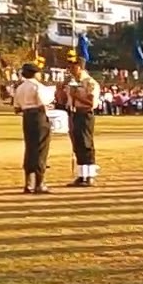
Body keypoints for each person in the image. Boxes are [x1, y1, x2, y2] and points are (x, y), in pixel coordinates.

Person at [13, 61, 54, 193]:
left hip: (26, 117)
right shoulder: (38, 87)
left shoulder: (19, 88)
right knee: (41, 149)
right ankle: (40, 183)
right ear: (35, 74)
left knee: (30, 148)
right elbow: (43, 103)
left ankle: (28, 183)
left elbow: (16, 108)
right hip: (39, 117)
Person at [64, 51, 102, 186]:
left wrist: (76, 96)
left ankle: (90, 175)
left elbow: (91, 103)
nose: (71, 70)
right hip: (74, 114)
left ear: (80, 67)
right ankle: (81, 175)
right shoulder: (74, 82)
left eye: (73, 67)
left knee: (86, 144)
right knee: (77, 144)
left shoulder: (90, 83)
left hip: (85, 114)